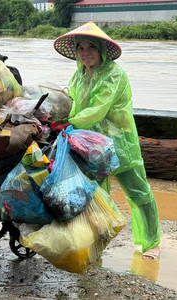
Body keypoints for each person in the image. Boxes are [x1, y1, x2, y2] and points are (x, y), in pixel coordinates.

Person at [53, 21, 161, 259]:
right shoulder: (79, 74)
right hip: (91, 143)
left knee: (138, 192)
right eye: (80, 48)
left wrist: (68, 123)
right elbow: (70, 99)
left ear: (101, 49)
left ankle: (151, 243)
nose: (85, 53)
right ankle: (97, 242)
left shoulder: (114, 74)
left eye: (91, 47)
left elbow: (98, 109)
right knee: (96, 194)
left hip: (120, 143)